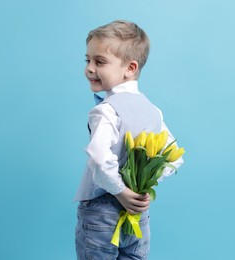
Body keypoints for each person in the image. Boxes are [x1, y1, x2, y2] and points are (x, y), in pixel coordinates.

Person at [74, 20, 184, 259]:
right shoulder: (153, 111)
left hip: (102, 211)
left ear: (130, 68)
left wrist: (121, 191)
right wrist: (142, 187)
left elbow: (99, 158)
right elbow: (174, 157)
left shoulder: (106, 111)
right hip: (138, 214)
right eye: (88, 60)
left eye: (100, 61)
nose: (90, 69)